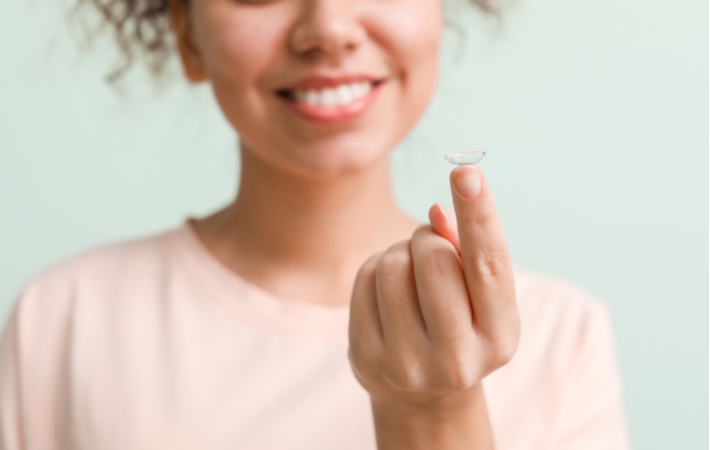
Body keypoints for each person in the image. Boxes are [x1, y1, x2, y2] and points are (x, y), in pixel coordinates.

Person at [0, 0, 630, 446]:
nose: (329, 27)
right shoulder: (64, 321)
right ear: (189, 38)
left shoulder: (561, 340)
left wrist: (436, 415)